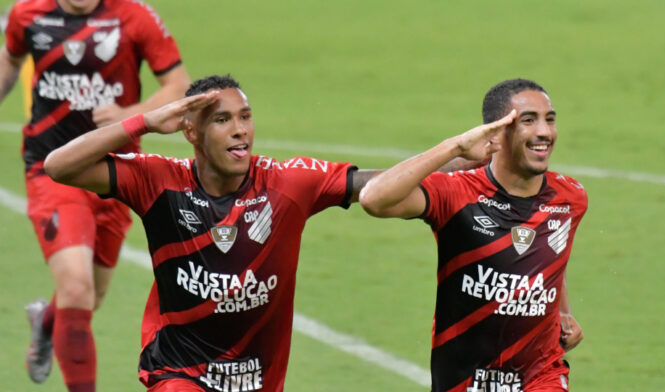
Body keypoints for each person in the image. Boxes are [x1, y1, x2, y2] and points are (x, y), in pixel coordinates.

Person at [42, 74, 390, 392]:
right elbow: (59, 165)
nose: (240, 130)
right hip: (177, 372)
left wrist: (444, 154)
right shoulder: (158, 181)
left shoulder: (289, 183)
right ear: (191, 132)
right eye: (223, 120)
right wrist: (143, 123)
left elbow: (380, 183)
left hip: (259, 380)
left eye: (245, 116)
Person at [0, 0, 189, 390]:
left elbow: (178, 84)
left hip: (115, 174)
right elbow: (10, 60)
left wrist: (132, 113)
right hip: (51, 169)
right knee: (76, 286)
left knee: (91, 296)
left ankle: (46, 321)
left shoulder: (134, 16)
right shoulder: (27, 14)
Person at [359, 78, 587, 392]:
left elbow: (548, 259)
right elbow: (374, 199)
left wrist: (563, 313)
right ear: (497, 131)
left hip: (540, 375)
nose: (544, 133)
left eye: (549, 120)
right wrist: (455, 147)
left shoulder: (570, 197)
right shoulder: (456, 193)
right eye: (528, 121)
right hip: (464, 380)